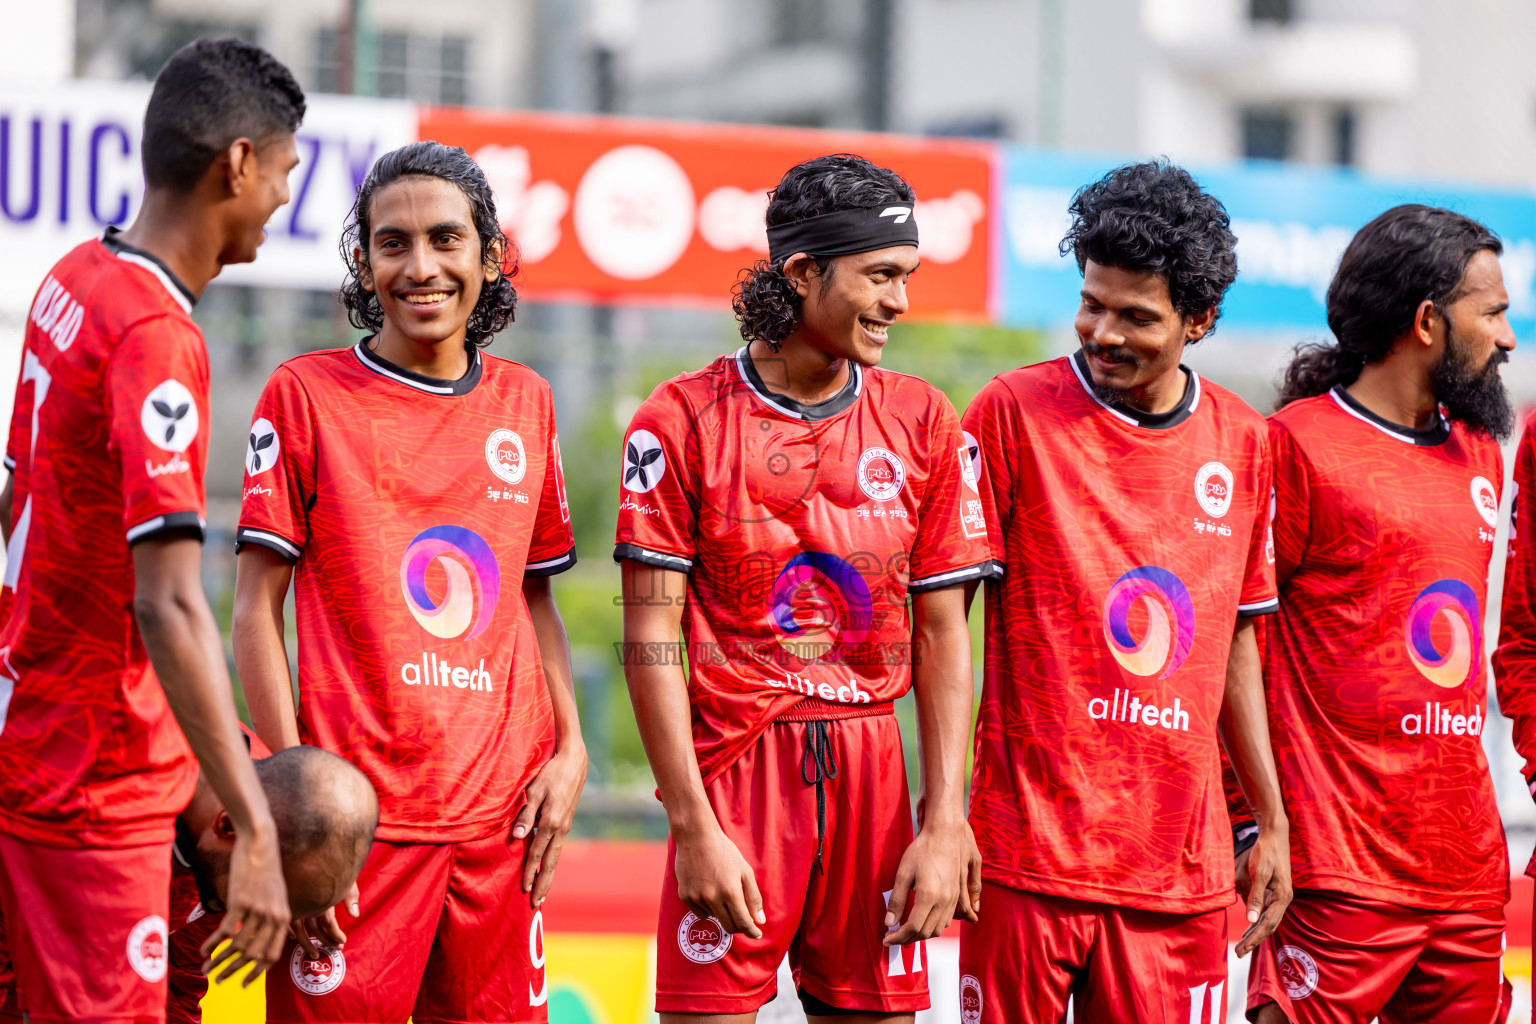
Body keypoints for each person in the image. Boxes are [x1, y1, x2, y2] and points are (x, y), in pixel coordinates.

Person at [616, 152, 991, 1021]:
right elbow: (649, 638)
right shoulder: (679, 419)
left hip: (871, 772)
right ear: (801, 272)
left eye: (907, 277)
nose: (899, 301)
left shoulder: (925, 418)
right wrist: (692, 825)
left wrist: (943, 823)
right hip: (734, 775)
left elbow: (943, 635)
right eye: (881, 276)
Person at [233, 140, 585, 1023]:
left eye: (445, 239)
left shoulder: (527, 402)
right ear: (364, 261)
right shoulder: (305, 394)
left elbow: (531, 597)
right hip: (357, 835)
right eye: (393, 244)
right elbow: (252, 610)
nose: (420, 267)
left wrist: (572, 750)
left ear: (489, 255)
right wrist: (296, 813)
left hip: (501, 831)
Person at [0, 37, 304, 1022]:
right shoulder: (153, 337)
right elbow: (168, 599)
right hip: (90, 785)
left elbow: (15, 495)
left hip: (31, 735)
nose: (284, 198)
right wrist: (252, 824)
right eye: (287, 171)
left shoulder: (76, 275)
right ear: (239, 164)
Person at [957, 160, 1291, 1024]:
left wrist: (1270, 819)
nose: (1102, 331)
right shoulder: (1010, 412)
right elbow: (940, 627)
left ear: (1199, 321)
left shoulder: (1246, 444)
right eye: (1091, 304)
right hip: (1025, 859)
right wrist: (940, 815)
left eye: (1136, 316)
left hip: (1180, 875)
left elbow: (1235, 644)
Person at [1240, 204, 1516, 1022]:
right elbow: (1237, 644)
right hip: (1336, 876)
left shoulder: (1480, 452)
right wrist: (1253, 826)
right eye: (1493, 313)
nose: (1507, 338)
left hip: (1466, 880)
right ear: (1428, 321)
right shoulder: (1294, 444)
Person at [0, 736, 379, 1024]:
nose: (253, 916)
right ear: (228, 826)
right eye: (260, 899)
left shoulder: (256, 832)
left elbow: (177, 985)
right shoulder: (98, 791)